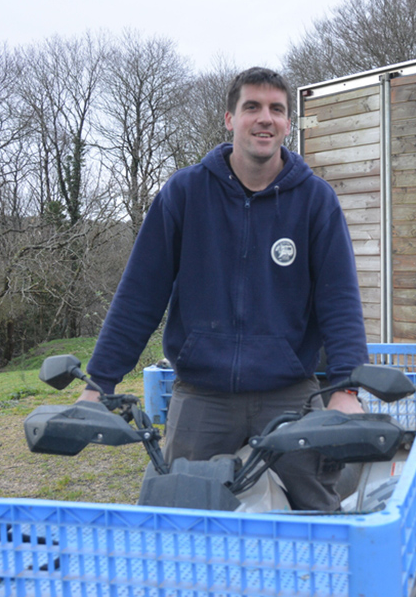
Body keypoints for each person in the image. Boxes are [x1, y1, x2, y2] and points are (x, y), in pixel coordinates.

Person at [78, 67, 368, 511]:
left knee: (317, 519)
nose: (264, 118)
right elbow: (139, 296)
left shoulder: (315, 200)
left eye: (276, 109)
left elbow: (340, 300)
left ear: (288, 123)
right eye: (251, 107)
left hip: (289, 392)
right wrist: (98, 384)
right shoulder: (184, 193)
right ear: (229, 119)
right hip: (202, 396)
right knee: (176, 515)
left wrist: (346, 388)